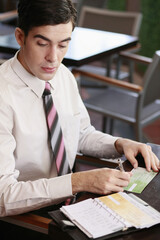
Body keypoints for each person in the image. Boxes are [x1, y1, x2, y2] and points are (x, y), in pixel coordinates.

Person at [0, 0, 159, 217]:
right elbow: (3, 196)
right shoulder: (3, 95)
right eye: (42, 43)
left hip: (70, 204)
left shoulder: (62, 74)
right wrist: (78, 182)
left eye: (63, 44)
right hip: (29, 216)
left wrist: (120, 144)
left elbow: (81, 133)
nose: (53, 58)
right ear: (20, 37)